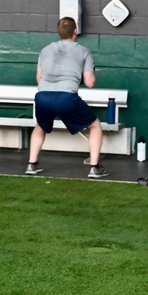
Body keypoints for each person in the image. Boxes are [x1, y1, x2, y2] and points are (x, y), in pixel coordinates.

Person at [25, 17, 109, 179]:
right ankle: (94, 168)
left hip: (42, 96)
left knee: (40, 126)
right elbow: (90, 82)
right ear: (75, 31)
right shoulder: (84, 51)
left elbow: (39, 79)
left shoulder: (45, 50)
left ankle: (31, 164)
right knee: (94, 126)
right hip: (66, 97)